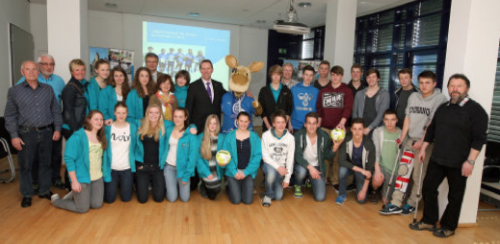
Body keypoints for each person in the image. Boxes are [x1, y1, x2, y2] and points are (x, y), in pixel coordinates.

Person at [410, 74, 488, 238]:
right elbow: (431, 130)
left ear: (467, 89)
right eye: (452, 86)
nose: (454, 89)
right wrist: (423, 149)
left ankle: (448, 226)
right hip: (438, 158)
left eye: (459, 86)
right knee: (428, 188)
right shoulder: (444, 107)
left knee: (455, 196)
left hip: (460, 162)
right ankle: (430, 220)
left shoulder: (476, 111)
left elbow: (479, 139)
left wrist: (471, 161)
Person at [380, 70, 448, 214]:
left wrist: (422, 142)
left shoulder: (440, 99)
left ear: (434, 84)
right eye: (421, 83)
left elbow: (432, 123)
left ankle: (412, 202)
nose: (424, 86)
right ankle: (396, 202)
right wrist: (403, 137)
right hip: (411, 139)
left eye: (427, 83)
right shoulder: (413, 96)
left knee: (418, 175)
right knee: (403, 171)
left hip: (426, 143)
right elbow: (408, 118)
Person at [5, 60, 62, 208]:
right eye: (28, 69)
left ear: (39, 72)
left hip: (47, 132)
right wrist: (14, 136)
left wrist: (57, 129)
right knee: (25, 166)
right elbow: (10, 115)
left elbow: (55, 111)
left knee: (46, 163)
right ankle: (27, 194)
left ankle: (44, 190)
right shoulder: (14, 91)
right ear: (22, 72)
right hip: (25, 134)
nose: (31, 72)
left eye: (34, 69)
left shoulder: (48, 89)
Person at [16, 54, 65, 189]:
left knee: (55, 154)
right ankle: (36, 182)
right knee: (36, 156)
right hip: (33, 125)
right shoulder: (24, 81)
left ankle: (55, 178)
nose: (49, 67)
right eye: (45, 64)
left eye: (51, 64)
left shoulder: (59, 81)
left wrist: (59, 126)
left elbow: (62, 103)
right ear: (39, 66)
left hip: (53, 123)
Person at [51, 110, 107, 213]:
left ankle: (75, 195)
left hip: (97, 178)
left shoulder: (101, 136)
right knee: (82, 208)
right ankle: (57, 201)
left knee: (96, 204)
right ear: (89, 120)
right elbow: (69, 159)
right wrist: (74, 182)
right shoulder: (77, 136)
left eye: (101, 120)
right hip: (82, 178)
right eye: (96, 119)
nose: (99, 122)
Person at [316, 65, 354, 190]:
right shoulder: (324, 91)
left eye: (337, 75)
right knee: (325, 154)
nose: (335, 77)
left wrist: (342, 123)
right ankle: (325, 178)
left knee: (338, 155)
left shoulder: (347, 91)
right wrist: (319, 126)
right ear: (330, 75)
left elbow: (348, 108)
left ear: (342, 76)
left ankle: (335, 180)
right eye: (333, 74)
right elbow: (320, 110)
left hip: (339, 129)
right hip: (325, 128)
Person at [293, 112, 341, 201]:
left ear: (318, 124)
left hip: (317, 167)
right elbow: (297, 156)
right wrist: (310, 167)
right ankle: (298, 185)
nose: (311, 126)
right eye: (309, 123)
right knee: (301, 172)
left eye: (314, 123)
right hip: (302, 165)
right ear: (305, 124)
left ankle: (310, 181)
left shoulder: (324, 136)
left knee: (320, 197)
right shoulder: (298, 135)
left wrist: (334, 148)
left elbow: (328, 156)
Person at [223, 112, 262, 205]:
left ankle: (240, 185)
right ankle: (229, 186)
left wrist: (245, 172)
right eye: (241, 121)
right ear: (237, 121)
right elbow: (226, 156)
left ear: (249, 122)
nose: (243, 124)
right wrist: (234, 172)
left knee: (247, 201)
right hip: (233, 172)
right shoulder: (229, 136)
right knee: (236, 201)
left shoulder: (255, 137)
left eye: (246, 121)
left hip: (247, 172)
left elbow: (257, 157)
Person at [102, 102, 137, 203]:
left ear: (127, 113)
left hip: (126, 168)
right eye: (118, 113)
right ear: (114, 113)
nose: (121, 116)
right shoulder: (108, 128)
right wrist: (104, 122)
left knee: (126, 199)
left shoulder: (132, 127)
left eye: (123, 113)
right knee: (109, 199)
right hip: (112, 168)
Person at [336, 118, 375, 205]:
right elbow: (341, 161)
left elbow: (369, 170)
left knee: (361, 201)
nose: (357, 132)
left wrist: (364, 190)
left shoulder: (369, 144)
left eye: (360, 129)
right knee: (342, 170)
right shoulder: (346, 139)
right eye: (355, 129)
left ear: (364, 130)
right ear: (351, 129)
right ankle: (342, 194)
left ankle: (362, 188)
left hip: (363, 170)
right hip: (351, 167)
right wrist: (361, 170)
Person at [134, 104, 168, 203]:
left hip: (157, 167)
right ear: (147, 113)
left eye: (156, 112)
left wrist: (192, 127)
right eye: (151, 112)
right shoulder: (139, 124)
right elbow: (124, 120)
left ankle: (155, 184)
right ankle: (140, 184)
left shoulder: (165, 125)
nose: (154, 115)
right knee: (142, 200)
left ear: (160, 114)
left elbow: (181, 123)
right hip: (142, 167)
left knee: (159, 198)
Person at [261, 110, 295, 207]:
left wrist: (287, 179)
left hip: (281, 170)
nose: (281, 125)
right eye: (278, 122)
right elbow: (265, 156)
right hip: (268, 165)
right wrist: (278, 167)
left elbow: (290, 159)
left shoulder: (290, 138)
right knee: (271, 172)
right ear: (273, 124)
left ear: (286, 123)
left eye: (283, 122)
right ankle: (267, 195)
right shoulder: (266, 136)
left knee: (279, 196)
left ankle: (273, 185)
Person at [164, 108, 198, 202]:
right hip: (169, 167)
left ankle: (179, 185)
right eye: (175, 116)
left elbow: (193, 158)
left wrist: (187, 176)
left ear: (185, 118)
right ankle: (171, 187)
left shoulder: (190, 134)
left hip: (183, 169)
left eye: (180, 117)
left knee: (185, 199)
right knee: (172, 199)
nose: (177, 119)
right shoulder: (169, 129)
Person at [186, 59, 227, 133]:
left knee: (214, 144)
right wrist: (189, 125)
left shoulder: (218, 85)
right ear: (200, 70)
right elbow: (189, 107)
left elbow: (228, 95)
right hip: (199, 126)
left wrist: (243, 92)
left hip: (215, 125)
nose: (206, 71)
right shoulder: (193, 86)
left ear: (212, 70)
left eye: (208, 68)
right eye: (203, 68)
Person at [371, 110, 401, 204]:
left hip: (394, 170)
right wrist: (377, 170)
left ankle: (384, 193)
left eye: (392, 120)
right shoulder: (378, 132)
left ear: (397, 120)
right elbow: (376, 152)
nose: (389, 123)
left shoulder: (401, 134)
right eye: (386, 120)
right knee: (377, 180)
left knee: (386, 201)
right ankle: (374, 191)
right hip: (382, 166)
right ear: (383, 120)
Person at [352, 68, 390, 137]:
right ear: (366, 79)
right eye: (369, 77)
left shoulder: (384, 94)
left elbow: (382, 114)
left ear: (378, 79)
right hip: (361, 130)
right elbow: (355, 112)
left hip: (377, 129)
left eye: (373, 77)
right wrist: (357, 127)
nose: (371, 79)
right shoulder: (359, 94)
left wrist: (369, 128)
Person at [197, 115, 225, 200]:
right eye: (210, 123)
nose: (212, 126)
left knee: (216, 190)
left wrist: (223, 164)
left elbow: (225, 155)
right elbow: (197, 159)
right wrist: (207, 173)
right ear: (207, 125)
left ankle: (207, 185)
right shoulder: (200, 138)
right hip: (206, 170)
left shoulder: (222, 138)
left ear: (217, 125)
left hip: (217, 170)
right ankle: (203, 184)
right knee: (211, 197)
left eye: (215, 123)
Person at [258, 65, 293, 133]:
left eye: (278, 74)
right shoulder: (264, 91)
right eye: (274, 74)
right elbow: (262, 111)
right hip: (267, 127)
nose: (276, 77)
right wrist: (268, 126)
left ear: (281, 75)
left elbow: (288, 110)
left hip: (282, 128)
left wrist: (282, 125)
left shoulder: (287, 91)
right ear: (270, 75)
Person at [62, 59, 89, 139]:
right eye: (77, 70)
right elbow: (68, 112)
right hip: (72, 128)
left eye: (82, 70)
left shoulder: (85, 85)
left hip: (82, 126)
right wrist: (76, 130)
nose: (80, 72)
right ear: (71, 72)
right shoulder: (70, 88)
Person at [290, 65, 319, 133]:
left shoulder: (316, 91)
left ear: (313, 76)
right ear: (302, 75)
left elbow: (317, 110)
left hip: (310, 126)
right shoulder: (294, 90)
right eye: (306, 75)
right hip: (295, 126)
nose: (308, 77)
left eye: (311, 75)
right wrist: (289, 123)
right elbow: (289, 108)